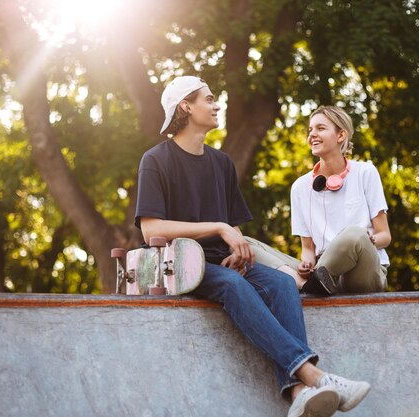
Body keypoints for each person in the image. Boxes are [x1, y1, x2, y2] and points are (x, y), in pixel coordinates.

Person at [135, 77, 371, 416]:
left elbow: (231, 226)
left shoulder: (222, 163)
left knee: (282, 281)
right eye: (209, 99)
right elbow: (151, 229)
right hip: (178, 264)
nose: (217, 105)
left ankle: (299, 394)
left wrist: (238, 246)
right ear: (186, 107)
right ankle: (315, 376)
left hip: (221, 262)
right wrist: (219, 228)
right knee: (233, 285)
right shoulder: (156, 159)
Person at [247, 105, 391, 295]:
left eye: (320, 128)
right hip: (323, 272)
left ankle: (314, 282)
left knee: (355, 233)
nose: (312, 134)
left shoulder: (365, 172)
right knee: (244, 243)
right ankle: (307, 282)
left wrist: (367, 239)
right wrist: (306, 264)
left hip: (362, 269)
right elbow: (307, 249)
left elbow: (385, 236)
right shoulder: (300, 187)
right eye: (310, 130)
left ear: (341, 136)